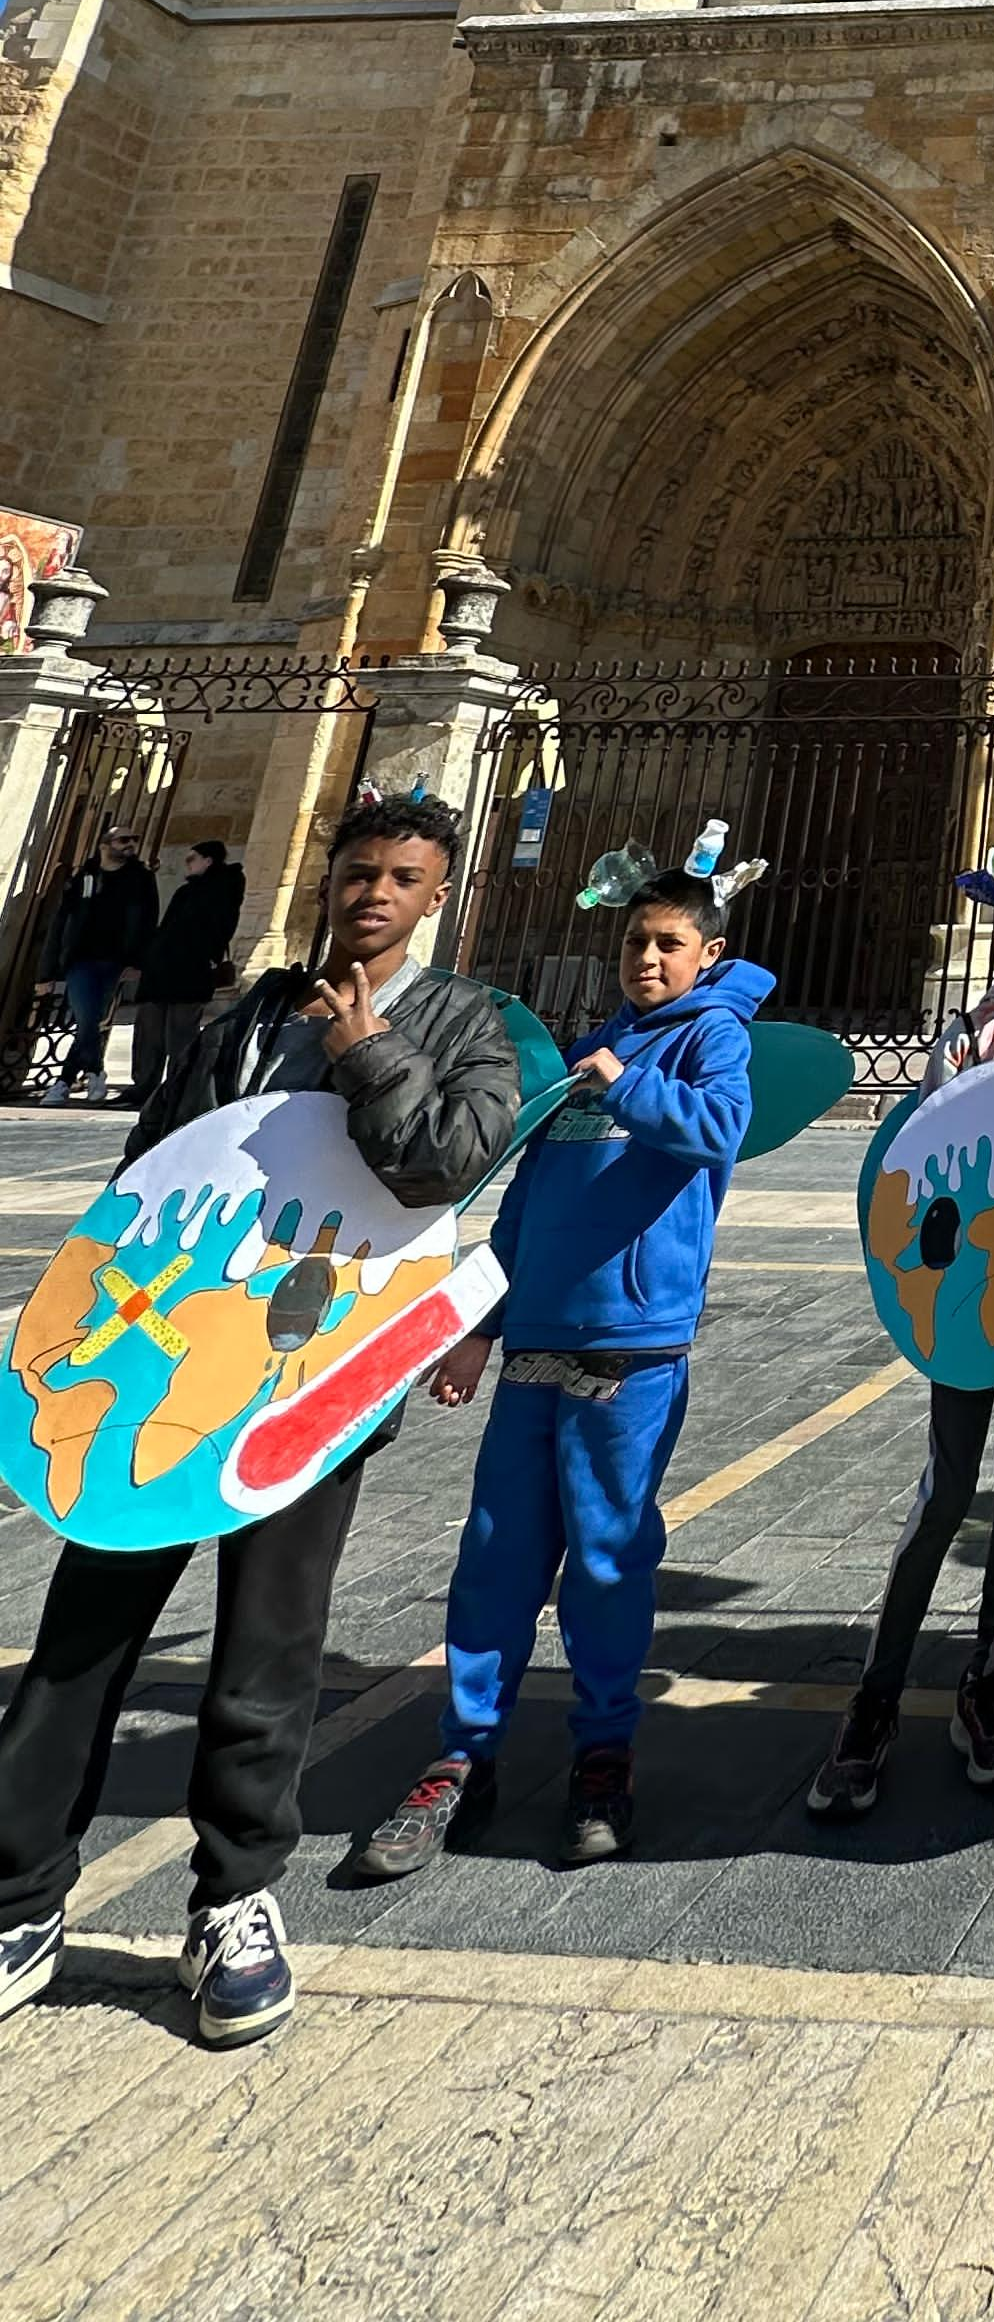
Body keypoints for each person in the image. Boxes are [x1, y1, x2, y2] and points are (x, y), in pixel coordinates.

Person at [0, 794, 519, 2043]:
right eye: (357, 870)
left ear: (437, 895)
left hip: (308, 1384)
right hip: (170, 1366)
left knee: (269, 1648)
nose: (373, 892)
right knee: (81, 1639)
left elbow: (447, 1164)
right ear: (328, 877)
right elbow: (151, 1172)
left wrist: (368, 1053)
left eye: (402, 876)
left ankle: (234, 1900)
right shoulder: (243, 1020)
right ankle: (19, 1894)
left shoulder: (466, 1026)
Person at [354, 866, 770, 1880]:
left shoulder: (712, 1039)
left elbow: (721, 1130)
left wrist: (628, 1082)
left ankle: (601, 1755)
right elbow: (526, 1199)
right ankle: (464, 1752)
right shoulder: (593, 1050)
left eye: (670, 944)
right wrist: (478, 1325)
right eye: (636, 944)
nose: (648, 959)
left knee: (607, 1556)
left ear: (708, 954)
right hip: (536, 1336)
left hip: (632, 1344)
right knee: (496, 1549)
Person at [806, 843, 994, 1822]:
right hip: (968, 1291)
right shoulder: (969, 1032)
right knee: (944, 1491)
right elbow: (925, 1155)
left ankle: (986, 1680)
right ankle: (876, 1696)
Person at [40, 826, 157, 1104]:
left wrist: (138, 961)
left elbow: (148, 922)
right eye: (124, 840)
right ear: (105, 845)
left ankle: (65, 1081)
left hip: (116, 960)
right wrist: (46, 970)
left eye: (134, 839)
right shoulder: (85, 877)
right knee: (87, 1018)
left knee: (91, 1021)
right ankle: (92, 1073)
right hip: (80, 959)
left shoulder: (141, 879)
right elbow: (61, 921)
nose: (131, 844)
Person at [124, 839, 245, 1102]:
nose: (186, 864)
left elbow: (220, 929)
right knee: (149, 1031)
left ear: (208, 861)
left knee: (181, 1035)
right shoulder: (185, 892)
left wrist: (205, 957)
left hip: (190, 971)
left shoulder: (222, 890)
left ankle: (179, 1088)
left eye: (192, 859)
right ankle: (144, 1086)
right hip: (160, 972)